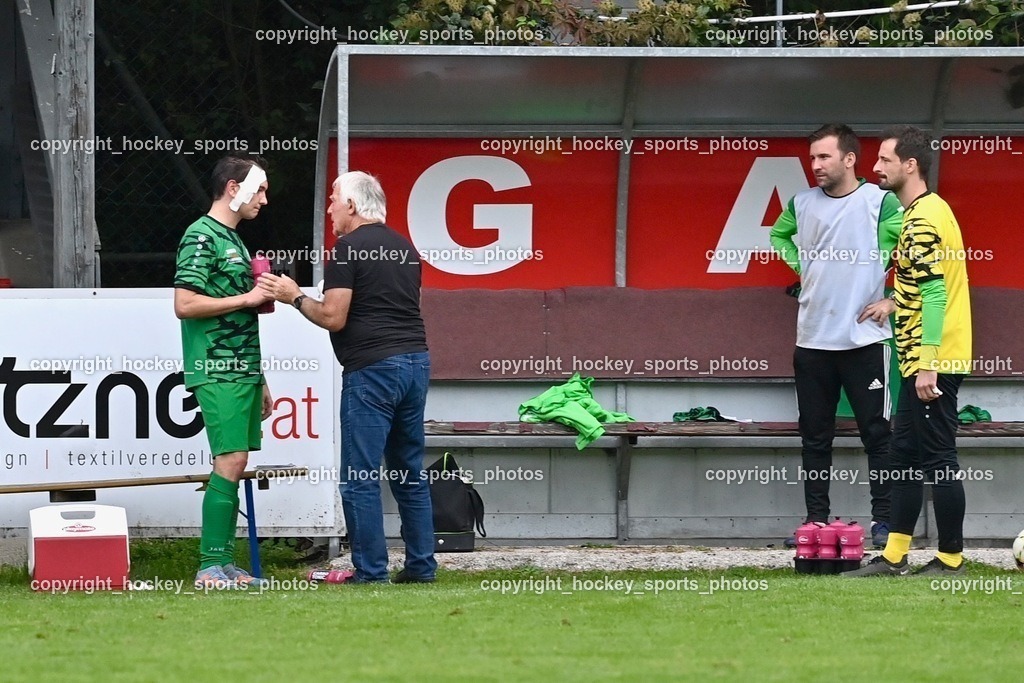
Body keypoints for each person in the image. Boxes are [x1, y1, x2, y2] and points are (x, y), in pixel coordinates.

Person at [259, 171, 436, 584]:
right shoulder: (405, 249)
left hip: (373, 369)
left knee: (359, 479)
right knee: (409, 473)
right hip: (415, 363)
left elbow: (333, 317)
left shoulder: (347, 248)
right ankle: (421, 568)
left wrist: (294, 297)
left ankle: (371, 572)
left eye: (334, 199)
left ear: (352, 206)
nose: (330, 207)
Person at [845, 125, 973, 577]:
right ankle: (894, 556)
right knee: (903, 458)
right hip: (921, 358)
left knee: (939, 459)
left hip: (932, 360)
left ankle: (951, 558)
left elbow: (936, 294)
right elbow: (923, 288)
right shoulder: (931, 210)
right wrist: (893, 302)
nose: (875, 167)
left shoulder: (921, 218)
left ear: (910, 165)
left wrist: (928, 364)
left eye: (884, 160)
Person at [770, 124, 903, 549]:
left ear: (849, 159)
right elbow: (778, 235)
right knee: (814, 436)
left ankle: (884, 524)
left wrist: (895, 298)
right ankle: (815, 523)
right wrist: (802, 269)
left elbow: (923, 253)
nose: (815, 166)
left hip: (866, 341)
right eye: (812, 158)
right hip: (812, 341)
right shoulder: (802, 202)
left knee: (878, 434)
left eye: (824, 157)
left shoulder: (880, 203)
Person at [173, 155, 275, 589]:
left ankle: (222, 564)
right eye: (261, 189)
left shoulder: (232, 238)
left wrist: (261, 377)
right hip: (216, 365)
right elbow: (185, 304)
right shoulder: (201, 235)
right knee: (230, 459)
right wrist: (247, 299)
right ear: (234, 188)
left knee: (237, 459)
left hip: (241, 368)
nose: (265, 200)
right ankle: (210, 566)